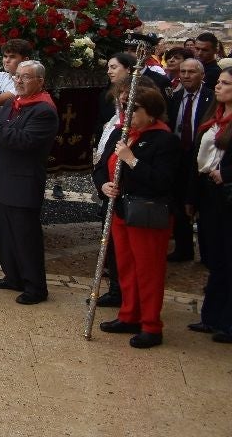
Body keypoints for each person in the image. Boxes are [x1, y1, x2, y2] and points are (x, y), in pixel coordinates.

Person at [94, 86, 183, 348]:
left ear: (152, 112)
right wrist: (103, 185)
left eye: (135, 108)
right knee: (126, 266)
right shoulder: (121, 133)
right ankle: (129, 314)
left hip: (147, 214)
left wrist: (132, 160)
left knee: (148, 270)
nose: (128, 113)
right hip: (121, 210)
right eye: (125, 107)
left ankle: (151, 325)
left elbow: (163, 181)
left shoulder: (164, 140)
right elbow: (100, 167)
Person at [0, 61, 58, 304]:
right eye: (17, 76)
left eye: (25, 77)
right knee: (5, 233)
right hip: (2, 178)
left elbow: (23, 140)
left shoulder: (43, 110)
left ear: (40, 81)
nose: (18, 81)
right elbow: (1, 133)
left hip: (22, 182)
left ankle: (35, 287)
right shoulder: (14, 103)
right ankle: (13, 276)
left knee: (25, 236)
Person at [192, 67, 232, 342]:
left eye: (226, 83)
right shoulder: (214, 117)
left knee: (228, 259)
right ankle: (211, 316)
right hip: (209, 193)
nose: (218, 87)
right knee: (216, 258)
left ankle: (226, 321)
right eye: (219, 82)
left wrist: (227, 174)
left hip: (226, 194)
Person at [166, 59, 212, 262]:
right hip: (178, 157)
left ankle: (209, 253)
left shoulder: (211, 99)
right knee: (179, 203)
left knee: (202, 205)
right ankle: (183, 249)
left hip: (201, 157)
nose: (186, 75)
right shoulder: (173, 98)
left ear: (202, 75)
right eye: (183, 71)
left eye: (191, 72)